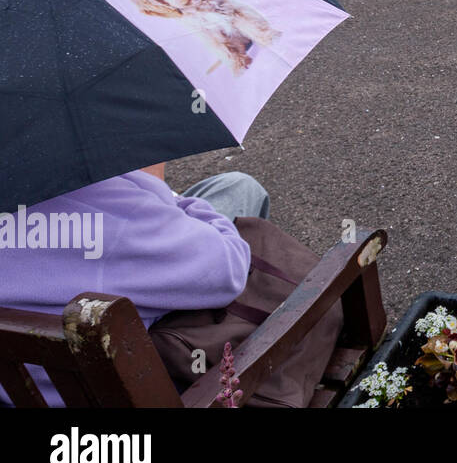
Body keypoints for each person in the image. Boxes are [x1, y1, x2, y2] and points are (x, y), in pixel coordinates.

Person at [0, 163, 265, 407]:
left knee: (229, 185)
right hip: (146, 389)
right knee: (242, 188)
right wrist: (156, 187)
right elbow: (228, 267)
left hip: (27, 393)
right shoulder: (97, 201)